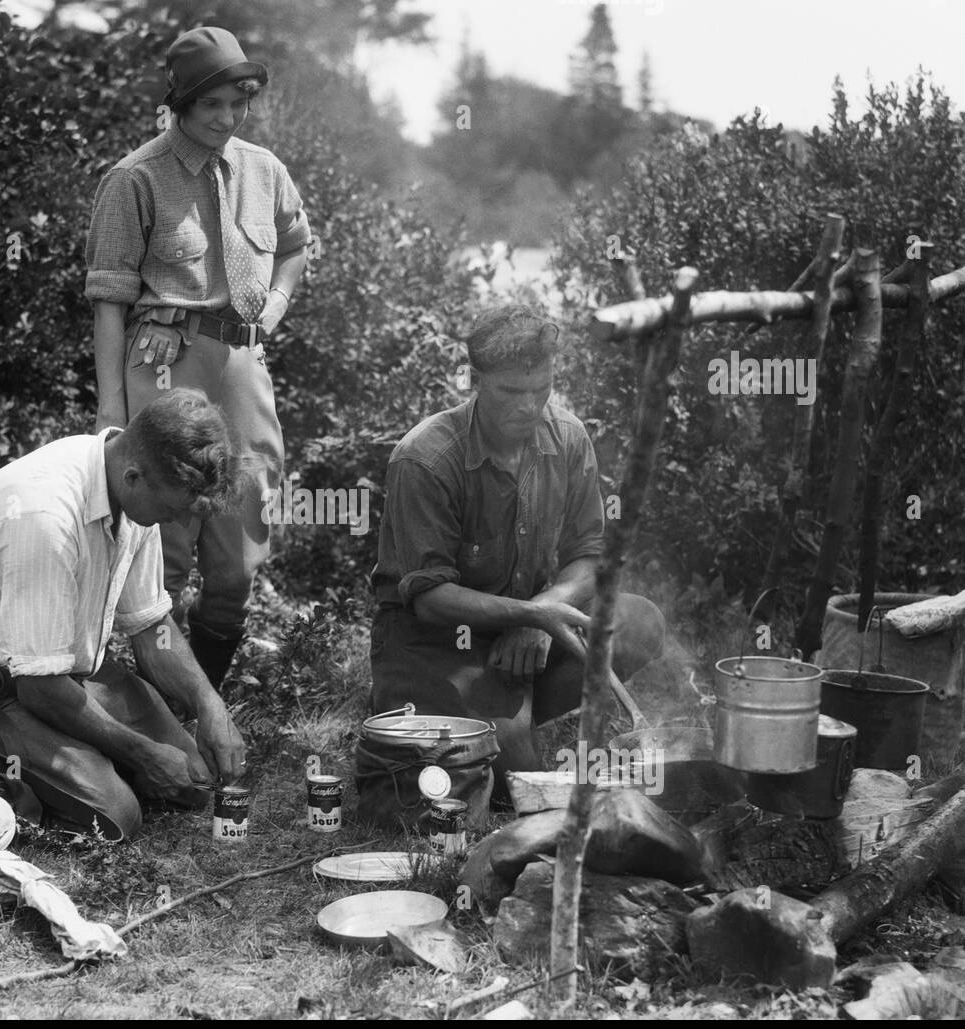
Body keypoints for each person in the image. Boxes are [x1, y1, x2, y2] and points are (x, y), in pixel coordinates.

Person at [0, 389, 248, 840]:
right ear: (134, 476)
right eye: (172, 509)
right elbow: (39, 688)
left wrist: (211, 706)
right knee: (117, 814)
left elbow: (150, 628)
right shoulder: (43, 517)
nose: (178, 523)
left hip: (59, 672)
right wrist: (142, 755)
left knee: (191, 782)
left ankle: (59, 759)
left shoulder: (135, 491)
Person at [84, 26, 310, 689]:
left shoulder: (263, 169)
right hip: (163, 365)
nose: (226, 118)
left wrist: (275, 305)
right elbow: (108, 303)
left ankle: (203, 702)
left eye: (238, 104)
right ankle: (150, 708)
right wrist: (110, 413)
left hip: (240, 367)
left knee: (241, 550)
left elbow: (295, 245)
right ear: (180, 103)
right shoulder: (133, 179)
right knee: (163, 553)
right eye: (212, 105)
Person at [370, 304, 666, 776]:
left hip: (529, 633)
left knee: (639, 621)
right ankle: (497, 721)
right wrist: (533, 615)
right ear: (474, 379)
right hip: (441, 646)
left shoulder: (567, 436)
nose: (529, 407)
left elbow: (590, 555)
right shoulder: (425, 458)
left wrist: (539, 617)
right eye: (511, 392)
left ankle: (515, 708)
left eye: (541, 389)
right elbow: (429, 599)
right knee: (512, 777)